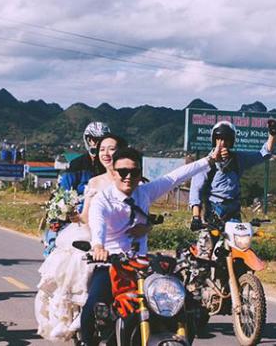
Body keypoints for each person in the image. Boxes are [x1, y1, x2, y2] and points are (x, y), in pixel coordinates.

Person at [79, 147, 219, 344]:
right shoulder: (102, 200)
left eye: (134, 172)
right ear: (113, 173)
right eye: (123, 172)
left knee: (185, 304)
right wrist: (99, 247)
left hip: (142, 266)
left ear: (140, 174)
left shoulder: (144, 192)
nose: (128, 177)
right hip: (111, 264)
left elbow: (175, 177)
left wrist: (209, 160)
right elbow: (97, 224)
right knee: (92, 305)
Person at [35, 134, 127, 342]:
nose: (106, 154)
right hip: (93, 237)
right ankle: (83, 321)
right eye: (102, 149)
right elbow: (86, 216)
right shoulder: (94, 182)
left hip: (123, 244)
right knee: (78, 265)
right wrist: (69, 214)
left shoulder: (130, 180)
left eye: (111, 149)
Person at [188, 119, 276, 256]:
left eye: (226, 140)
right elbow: (196, 191)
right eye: (219, 139)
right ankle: (200, 274)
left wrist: (273, 134)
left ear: (232, 142)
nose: (222, 143)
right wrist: (196, 217)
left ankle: (238, 276)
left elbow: (264, 154)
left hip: (233, 209)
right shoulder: (207, 163)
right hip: (214, 209)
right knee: (206, 251)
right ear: (214, 140)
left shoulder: (238, 159)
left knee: (239, 248)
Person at [43, 121, 111, 256]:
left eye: (102, 141)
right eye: (94, 140)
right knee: (56, 246)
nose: (97, 144)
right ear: (88, 140)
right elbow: (64, 191)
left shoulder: (111, 165)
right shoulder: (77, 164)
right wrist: (66, 210)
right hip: (77, 216)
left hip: (105, 216)